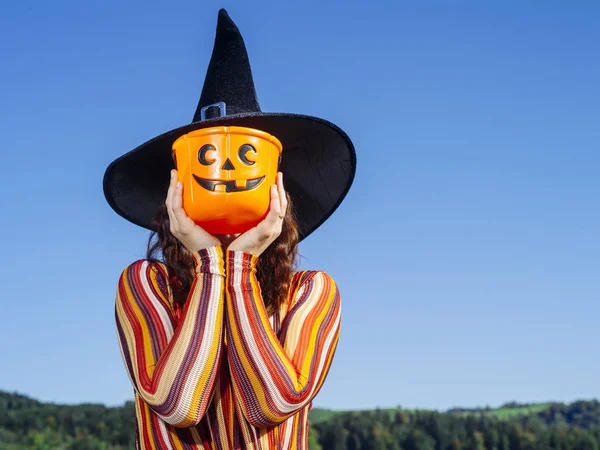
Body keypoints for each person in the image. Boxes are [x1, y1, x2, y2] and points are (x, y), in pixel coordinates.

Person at [104, 8, 356, 450]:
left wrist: (237, 263)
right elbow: (179, 405)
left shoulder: (311, 293)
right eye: (208, 158)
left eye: (244, 159)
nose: (224, 173)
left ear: (278, 190)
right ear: (174, 189)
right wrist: (210, 263)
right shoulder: (146, 285)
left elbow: (273, 403)